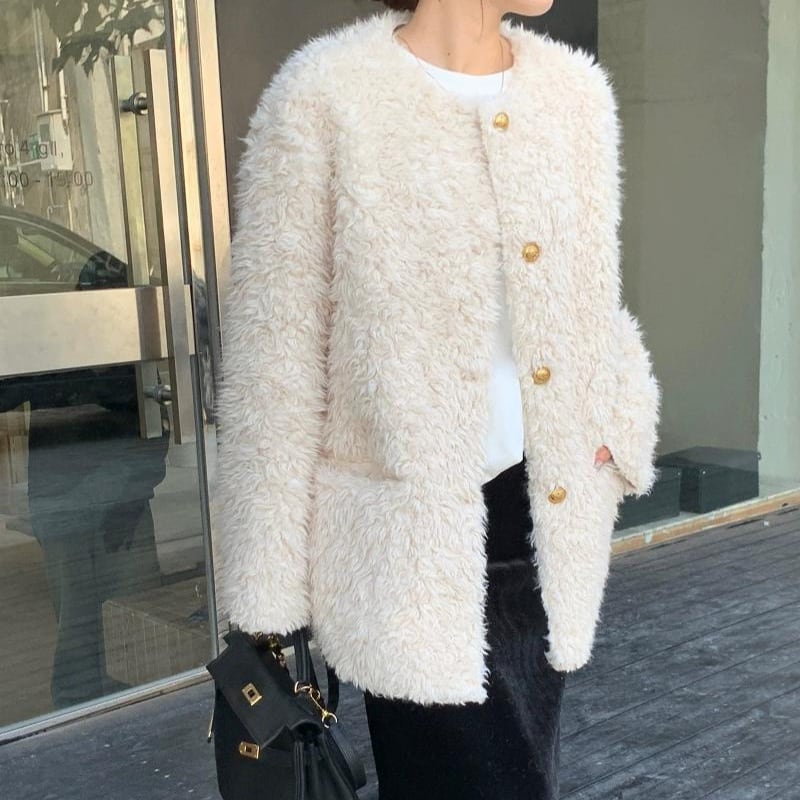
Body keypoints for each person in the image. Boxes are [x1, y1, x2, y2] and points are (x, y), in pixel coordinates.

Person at [211, 2, 661, 798]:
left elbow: (592, 299)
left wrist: (618, 420)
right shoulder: (326, 95)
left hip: (543, 525)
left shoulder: (572, 94)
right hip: (404, 552)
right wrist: (267, 594)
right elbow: (274, 365)